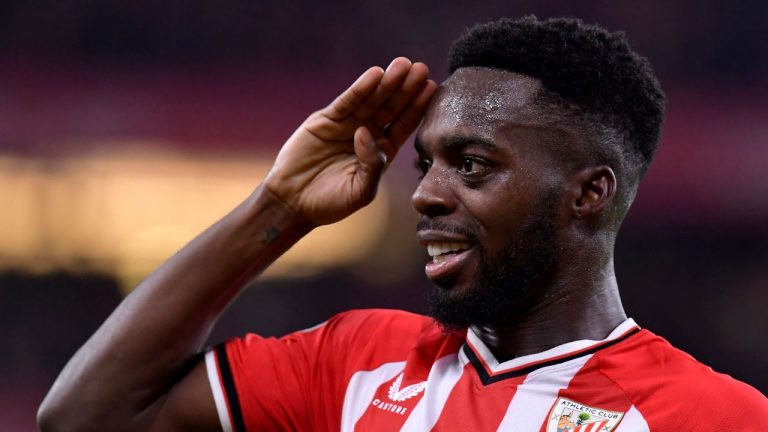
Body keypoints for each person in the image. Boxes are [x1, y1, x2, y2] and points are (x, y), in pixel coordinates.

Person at [38, 16, 767, 432]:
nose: (425, 196)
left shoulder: (714, 417)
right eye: (425, 166)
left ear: (588, 194)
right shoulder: (357, 362)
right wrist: (279, 207)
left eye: (473, 166)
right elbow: (88, 417)